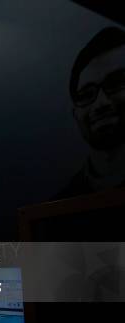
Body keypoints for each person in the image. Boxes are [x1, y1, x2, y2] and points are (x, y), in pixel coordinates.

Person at [57, 27, 125, 199]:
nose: (101, 103)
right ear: (76, 114)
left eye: (116, 83)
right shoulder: (59, 209)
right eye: (86, 95)